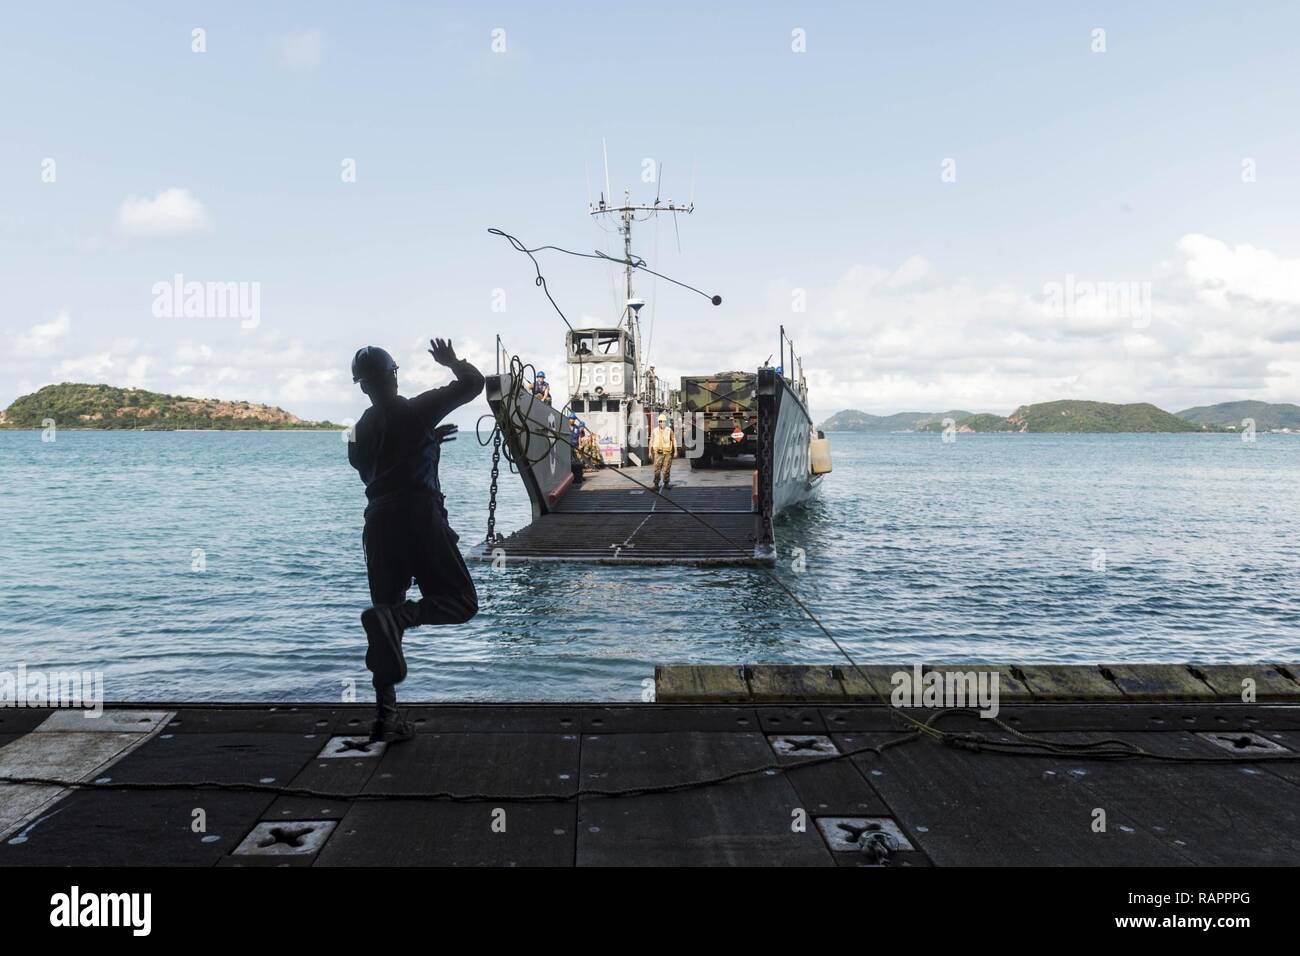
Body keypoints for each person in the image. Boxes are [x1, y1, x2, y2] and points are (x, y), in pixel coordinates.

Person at [348, 339, 484, 742]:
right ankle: (403, 617)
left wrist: (427, 442)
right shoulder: (417, 409)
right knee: (461, 602)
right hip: (419, 517)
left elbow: (376, 470)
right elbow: (473, 385)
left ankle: (386, 718)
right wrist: (452, 361)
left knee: (382, 621)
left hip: (379, 524)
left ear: (361, 386)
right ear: (393, 376)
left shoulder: (359, 430)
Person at [650, 412, 676, 491]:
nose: (661, 423)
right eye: (660, 421)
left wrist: (675, 451)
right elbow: (651, 441)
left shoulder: (669, 430)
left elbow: (673, 440)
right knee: (657, 469)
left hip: (667, 453)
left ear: (665, 422)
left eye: (663, 421)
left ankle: (666, 483)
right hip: (658, 453)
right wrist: (649, 452)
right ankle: (656, 484)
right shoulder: (655, 431)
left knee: (666, 469)